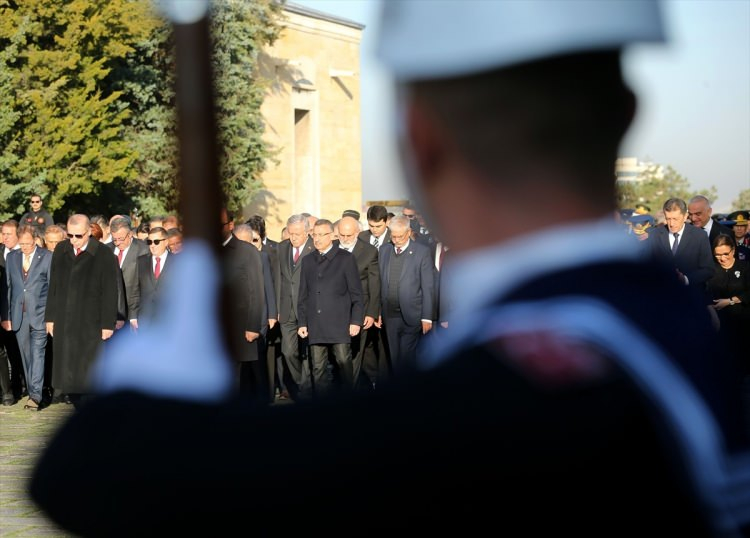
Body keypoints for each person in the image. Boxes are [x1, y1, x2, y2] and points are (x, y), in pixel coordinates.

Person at [28, 2, 750, 537]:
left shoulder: (512, 405)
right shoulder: (681, 330)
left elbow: (85, 476)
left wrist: (149, 389)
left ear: (419, 138)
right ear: (626, 112)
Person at [44, 214, 118, 407]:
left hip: (90, 321)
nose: (74, 240)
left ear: (88, 233)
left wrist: (107, 324)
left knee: (89, 371)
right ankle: (72, 397)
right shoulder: (61, 249)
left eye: (78, 236)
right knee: (67, 367)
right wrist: (50, 317)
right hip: (64, 318)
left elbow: (110, 291)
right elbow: (54, 286)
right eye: (70, 235)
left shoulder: (103, 254)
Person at [297, 219, 363, 396]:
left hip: (340, 322)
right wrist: (302, 322)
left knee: (343, 361)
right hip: (316, 323)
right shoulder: (308, 260)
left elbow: (357, 293)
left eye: (321, 235)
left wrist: (356, 321)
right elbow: (303, 294)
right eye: (314, 235)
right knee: (318, 367)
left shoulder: (346, 259)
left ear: (332, 236)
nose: (316, 239)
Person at [1, 226, 52, 410]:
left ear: (35, 240)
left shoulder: (46, 257)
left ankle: (35, 396)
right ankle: (34, 390)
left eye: (28, 244)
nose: (25, 247)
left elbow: (53, 289)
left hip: (40, 314)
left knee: (38, 353)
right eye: (21, 244)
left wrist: (51, 317)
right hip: (18, 314)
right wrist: (6, 316)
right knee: (25, 355)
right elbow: (7, 288)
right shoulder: (12, 258)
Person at [220, 210, 267, 404]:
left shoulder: (246, 251)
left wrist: (253, 326)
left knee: (235, 378)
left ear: (230, 225)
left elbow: (256, 290)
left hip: (239, 326)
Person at [378, 215, 434, 375]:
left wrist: (427, 317)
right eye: (393, 236)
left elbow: (427, 286)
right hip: (389, 314)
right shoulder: (384, 250)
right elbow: (380, 281)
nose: (396, 240)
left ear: (408, 232)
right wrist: (378, 311)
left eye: (400, 236)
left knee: (407, 356)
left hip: (412, 314)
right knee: (394, 357)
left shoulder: (421, 252)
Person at [338, 215, 381, 391]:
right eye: (342, 235)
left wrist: (372, 312)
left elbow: (374, 284)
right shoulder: (332, 248)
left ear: (357, 233)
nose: (345, 239)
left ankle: (350, 391)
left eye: (349, 235)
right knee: (340, 355)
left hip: (359, 310)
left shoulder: (369, 251)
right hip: (335, 310)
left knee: (355, 353)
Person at [276, 214, 315, 400]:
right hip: (286, 308)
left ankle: (307, 390)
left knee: (307, 351)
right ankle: (301, 382)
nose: (293, 237)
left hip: (308, 308)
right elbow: (278, 279)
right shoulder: (281, 248)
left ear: (307, 232)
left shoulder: (314, 248)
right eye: (290, 233)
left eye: (298, 234)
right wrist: (276, 308)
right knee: (288, 351)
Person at [647, 198, 715, 296]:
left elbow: (708, 269)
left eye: (675, 219)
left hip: (690, 297)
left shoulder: (699, 236)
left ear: (685, 216)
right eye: (668, 219)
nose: (671, 223)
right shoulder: (654, 235)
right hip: (661, 296)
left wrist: (686, 279)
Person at [707, 234, 750, 377]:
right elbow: (703, 294)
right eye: (718, 255)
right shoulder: (711, 270)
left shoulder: (745, 267)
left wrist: (730, 300)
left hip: (743, 325)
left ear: (733, 250)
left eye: (726, 253)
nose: (722, 258)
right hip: (719, 327)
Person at [109, 217, 149, 331]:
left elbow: (145, 286)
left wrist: (134, 316)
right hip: (110, 315)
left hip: (134, 315)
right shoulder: (107, 250)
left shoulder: (144, 251)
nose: (117, 243)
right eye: (114, 239)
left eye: (121, 239)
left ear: (130, 234)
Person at [132, 227, 172, 330]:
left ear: (166, 242)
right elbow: (135, 291)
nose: (152, 245)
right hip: (145, 320)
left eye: (156, 241)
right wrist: (133, 317)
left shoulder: (178, 262)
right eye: (149, 242)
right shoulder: (141, 261)